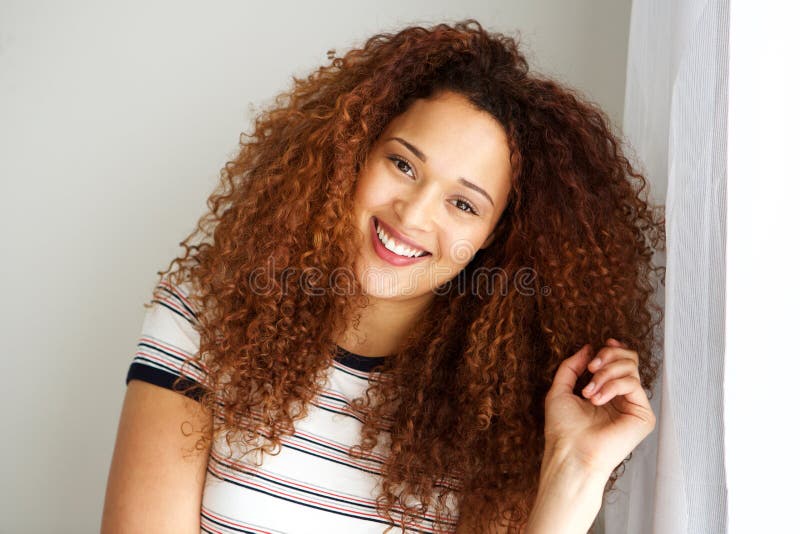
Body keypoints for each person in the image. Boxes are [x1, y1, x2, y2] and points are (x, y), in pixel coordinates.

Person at [102, 19, 665, 534]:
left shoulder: (511, 403)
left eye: (464, 205)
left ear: (497, 234)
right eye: (403, 164)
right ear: (353, 152)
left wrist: (575, 470)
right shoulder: (208, 316)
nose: (414, 215)